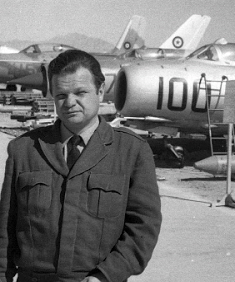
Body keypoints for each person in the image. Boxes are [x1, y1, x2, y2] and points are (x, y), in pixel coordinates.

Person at [0, 50, 162, 282]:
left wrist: (106, 276)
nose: (70, 103)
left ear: (100, 90)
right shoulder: (24, 149)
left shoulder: (131, 151)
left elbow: (143, 229)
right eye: (61, 95)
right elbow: (5, 231)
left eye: (80, 93)